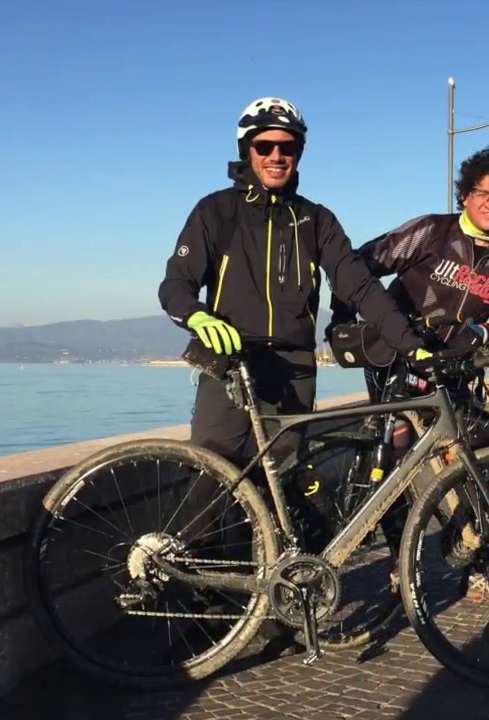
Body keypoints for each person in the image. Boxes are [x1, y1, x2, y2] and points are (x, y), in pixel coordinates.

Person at [158, 95, 427, 505]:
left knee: (284, 489)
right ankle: (197, 565)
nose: (277, 156)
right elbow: (175, 285)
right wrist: (196, 317)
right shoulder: (216, 211)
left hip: (293, 370)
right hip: (229, 363)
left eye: (288, 147)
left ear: (299, 153)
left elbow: (360, 287)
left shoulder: (316, 220)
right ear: (247, 151)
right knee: (211, 480)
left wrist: (411, 345)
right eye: (265, 146)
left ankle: (271, 569)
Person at [327, 144, 489, 404]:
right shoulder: (431, 231)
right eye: (481, 193)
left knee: (466, 440)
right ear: (464, 196)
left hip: (453, 368)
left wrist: (484, 333)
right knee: (399, 437)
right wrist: (341, 317)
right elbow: (357, 267)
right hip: (396, 358)